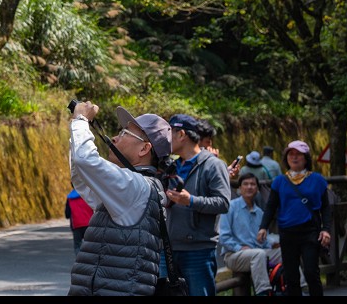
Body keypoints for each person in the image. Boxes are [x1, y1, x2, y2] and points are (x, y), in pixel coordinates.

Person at [67, 101, 173, 296]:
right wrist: (78, 129)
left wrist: (81, 120)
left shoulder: (136, 187)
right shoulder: (136, 188)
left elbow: (85, 160)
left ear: (144, 149)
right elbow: (81, 177)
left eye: (124, 133)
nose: (115, 138)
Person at [162, 113, 232, 296]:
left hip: (198, 251)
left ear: (182, 134)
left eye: (170, 132)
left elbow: (223, 203)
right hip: (169, 249)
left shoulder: (214, 165)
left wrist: (190, 201)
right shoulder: (171, 167)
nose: (166, 138)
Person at [256, 140, 332, 297]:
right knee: (291, 276)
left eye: (299, 154)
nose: (294, 157)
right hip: (288, 233)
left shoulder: (317, 180)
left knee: (311, 273)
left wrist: (326, 230)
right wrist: (263, 227)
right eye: (291, 154)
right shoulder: (279, 181)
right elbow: (271, 206)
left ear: (306, 158)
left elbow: (326, 207)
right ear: (286, 158)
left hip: (310, 232)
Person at [219, 172, 285, 296]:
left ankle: (298, 288)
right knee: (258, 254)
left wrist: (273, 244)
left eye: (253, 184)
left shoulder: (260, 213)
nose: (249, 187)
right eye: (245, 184)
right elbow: (223, 237)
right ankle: (263, 292)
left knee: (286, 252)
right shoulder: (230, 207)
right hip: (234, 255)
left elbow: (264, 241)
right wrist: (239, 247)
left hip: (256, 253)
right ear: (239, 188)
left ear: (258, 190)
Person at [65, 187, 94, 255]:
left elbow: (67, 214)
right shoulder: (88, 195)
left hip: (76, 225)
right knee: (90, 244)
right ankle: (89, 260)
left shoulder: (70, 198)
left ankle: (79, 261)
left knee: (77, 245)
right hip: (89, 224)